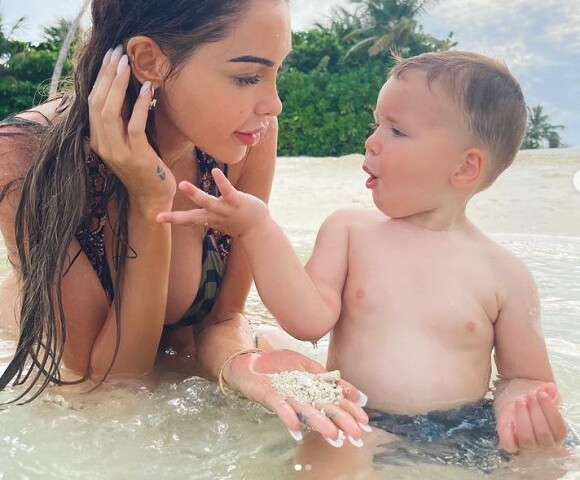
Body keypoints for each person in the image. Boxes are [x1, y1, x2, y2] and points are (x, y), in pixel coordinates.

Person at [0, 0, 369, 446]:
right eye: (247, 76)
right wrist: (150, 202)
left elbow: (222, 318)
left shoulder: (247, 137)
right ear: (149, 60)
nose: (274, 104)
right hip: (72, 367)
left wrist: (238, 365)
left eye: (276, 72)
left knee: (348, 435)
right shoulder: (26, 159)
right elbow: (108, 388)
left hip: (181, 347)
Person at [158, 51, 569, 464]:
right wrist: (257, 228)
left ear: (465, 168)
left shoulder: (505, 275)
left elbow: (525, 377)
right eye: (377, 124)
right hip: (359, 419)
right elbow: (306, 320)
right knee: (330, 449)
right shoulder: (350, 232)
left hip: (465, 431)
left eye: (396, 130)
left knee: (545, 459)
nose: (371, 140)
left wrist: (523, 408)